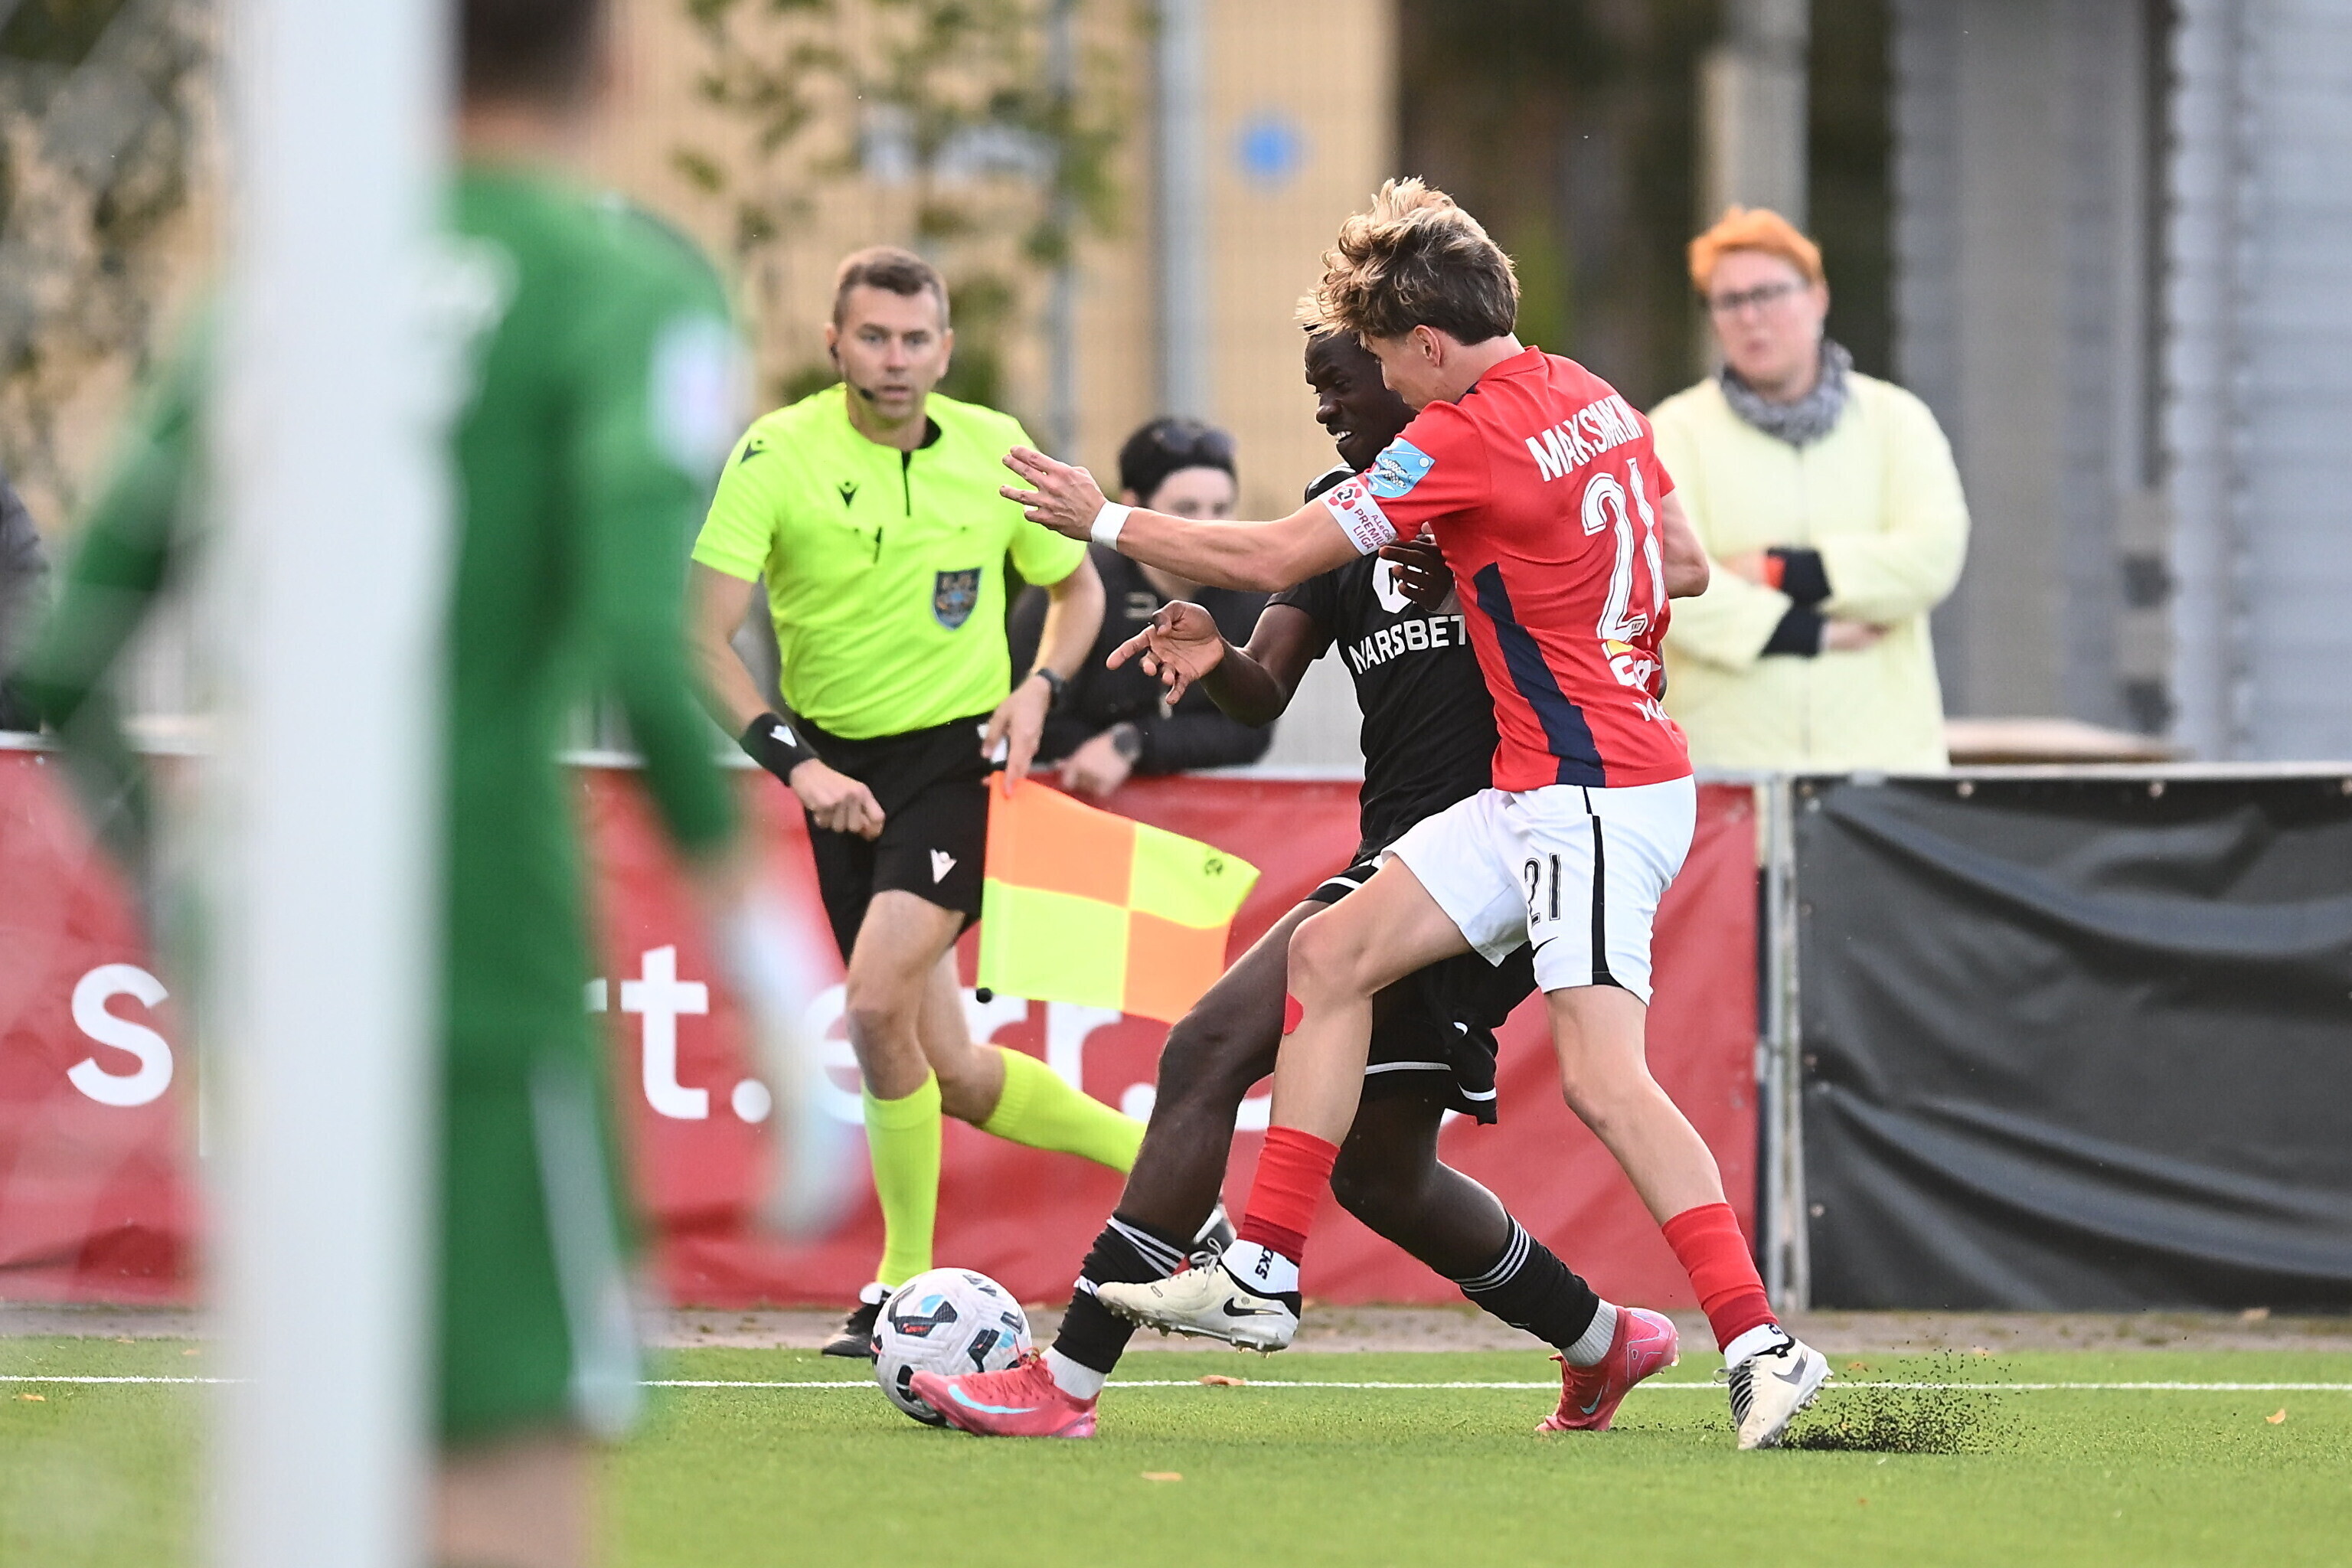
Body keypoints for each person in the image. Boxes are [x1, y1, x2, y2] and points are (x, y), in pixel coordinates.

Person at [16, 3, 829, 1563]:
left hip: (270, 943)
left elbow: (68, 659)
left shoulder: (281, 289)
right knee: (505, 1476)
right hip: (478, 937)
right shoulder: (620, 277)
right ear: (614, 62)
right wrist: (765, 962)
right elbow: (638, 635)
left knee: (340, 1454)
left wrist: (191, 900)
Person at [1001, 179, 1832, 1450]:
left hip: (1594, 787)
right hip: (1534, 785)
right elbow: (1676, 562)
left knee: (1606, 1082)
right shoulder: (1593, 395)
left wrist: (1101, 517)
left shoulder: (1462, 435)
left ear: (1430, 347)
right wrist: (1531, 562)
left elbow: (1274, 557)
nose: (1372, 383)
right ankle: (1265, 1270)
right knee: (1331, 960)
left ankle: (1761, 1344)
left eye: (1380, 357)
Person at [910, 325, 1678, 1441]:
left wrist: (1464, 565)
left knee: (1209, 1046)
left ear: (1414, 367)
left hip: (1493, 855)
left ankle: (1065, 1381)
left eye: (1340, 383)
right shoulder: (1339, 509)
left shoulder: (1504, 487)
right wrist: (1213, 656)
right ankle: (1605, 1340)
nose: (1324, 406)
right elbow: (1265, 686)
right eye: (1313, 387)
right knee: (1382, 1174)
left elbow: (1656, 573)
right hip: (1406, 858)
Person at [685, 245, 1149, 1359]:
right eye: (873, 337)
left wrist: (1042, 688)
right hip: (834, 769)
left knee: (872, 1003)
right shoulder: (777, 453)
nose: (894, 358)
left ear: (945, 350)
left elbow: (1079, 590)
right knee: (962, 1075)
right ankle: (1168, 1167)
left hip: (958, 762)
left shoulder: (996, 449)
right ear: (834, 344)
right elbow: (696, 641)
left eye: (914, 339)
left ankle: (897, 1287)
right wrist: (799, 766)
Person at [1650, 206, 1968, 771]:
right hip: (1724, 771)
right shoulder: (1673, 432)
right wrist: (1813, 632)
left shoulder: (1897, 420)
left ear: (1818, 297)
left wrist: (1778, 571)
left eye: (1768, 293)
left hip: (1884, 769)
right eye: (1728, 301)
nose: (1750, 317)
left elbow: (1931, 557)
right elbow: (1662, 584)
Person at [1008, 416, 1271, 796]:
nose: (1208, 528)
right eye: (1187, 508)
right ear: (1131, 506)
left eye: (1221, 508)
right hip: (1075, 804)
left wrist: (1133, 742)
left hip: (1198, 813)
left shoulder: (1249, 596)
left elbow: (1251, 728)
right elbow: (1035, 714)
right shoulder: (1080, 588)